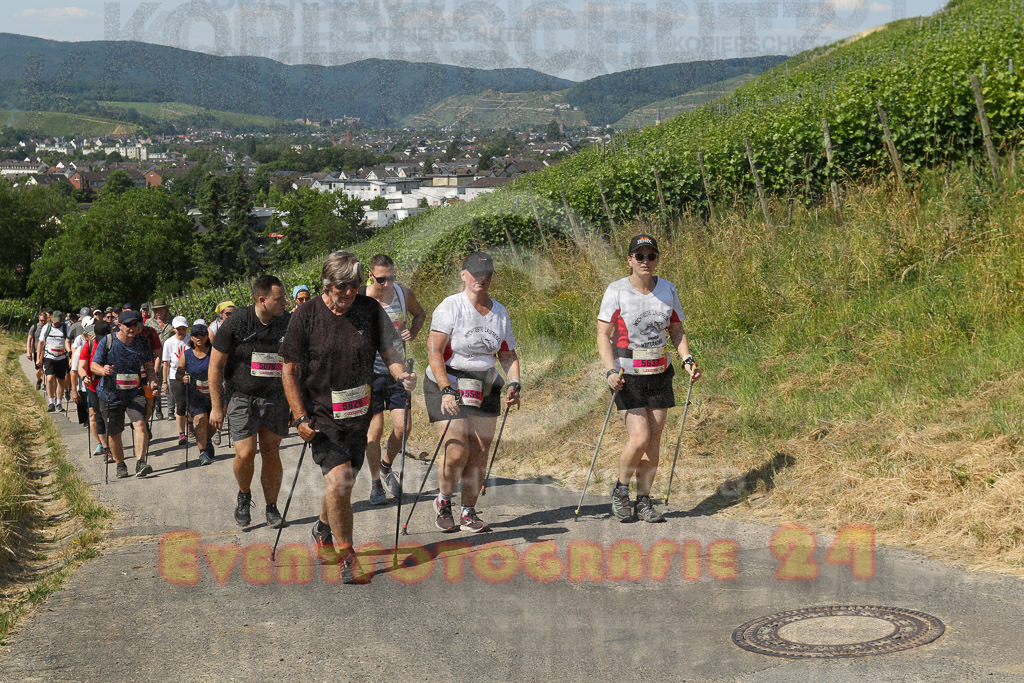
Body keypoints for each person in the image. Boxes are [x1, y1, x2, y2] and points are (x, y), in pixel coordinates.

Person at [280, 251, 416, 581]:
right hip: (322, 414)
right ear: (327, 285)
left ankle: (322, 528)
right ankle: (347, 554)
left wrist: (400, 375)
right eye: (343, 287)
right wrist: (299, 417)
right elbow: (290, 369)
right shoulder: (306, 315)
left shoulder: (369, 310)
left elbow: (389, 351)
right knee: (339, 480)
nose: (350, 293)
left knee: (344, 483)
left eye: (355, 285)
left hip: (360, 412)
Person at [597, 234, 702, 523]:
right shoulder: (616, 291)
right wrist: (609, 371)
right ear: (629, 259)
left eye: (651, 256)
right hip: (627, 375)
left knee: (653, 441)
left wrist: (687, 361)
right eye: (639, 256)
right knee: (640, 436)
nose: (645, 261)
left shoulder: (667, 289)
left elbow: (676, 330)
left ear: (656, 259)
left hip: (659, 372)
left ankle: (644, 500)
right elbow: (603, 336)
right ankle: (620, 490)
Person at [424, 252, 521, 533]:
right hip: (448, 381)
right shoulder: (451, 306)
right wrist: (445, 389)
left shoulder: (500, 312)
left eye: (488, 274)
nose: (482, 279)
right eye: (476, 274)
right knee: (457, 448)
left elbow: (507, 354)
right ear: (463, 275)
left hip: (484, 385)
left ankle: (468, 512)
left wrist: (515, 382)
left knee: (479, 451)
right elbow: (434, 351)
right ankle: (443, 501)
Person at [209, 278, 290, 529]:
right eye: (279, 299)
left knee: (271, 452)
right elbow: (215, 366)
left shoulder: (287, 323)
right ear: (261, 299)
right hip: (242, 396)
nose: (284, 303)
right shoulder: (237, 322)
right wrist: (216, 406)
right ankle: (244, 495)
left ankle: (272, 507)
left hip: (275, 398)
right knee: (245, 453)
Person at [360, 254, 426, 505]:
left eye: (392, 277)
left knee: (403, 427)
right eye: (381, 279)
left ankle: (386, 466)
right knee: (373, 431)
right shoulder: (361, 299)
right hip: (371, 373)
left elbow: (420, 314)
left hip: (398, 370)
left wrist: (413, 331)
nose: (387, 283)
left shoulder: (402, 294)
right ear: (370, 275)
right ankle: (376, 483)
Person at [90, 310, 158, 479]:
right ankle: (120, 464)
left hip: (134, 392)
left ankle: (141, 462)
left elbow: (149, 366)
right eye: (128, 325)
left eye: (136, 325)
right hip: (110, 393)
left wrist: (153, 381)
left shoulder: (141, 342)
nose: (133, 328)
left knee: (141, 425)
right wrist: (103, 370)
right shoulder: (108, 341)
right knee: (115, 433)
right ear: (119, 325)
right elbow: (93, 365)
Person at [179, 322, 215, 465]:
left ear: (207, 336)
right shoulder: (187, 355)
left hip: (214, 392)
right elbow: (178, 373)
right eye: (196, 335)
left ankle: (206, 439)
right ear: (191, 338)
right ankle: (203, 453)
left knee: (214, 422)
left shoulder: (214, 352)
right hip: (196, 394)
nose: (199, 337)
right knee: (200, 421)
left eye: (202, 334)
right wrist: (182, 377)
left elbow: (223, 367)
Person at [80, 320, 112, 459]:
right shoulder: (89, 345)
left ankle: (112, 446)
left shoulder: (113, 344)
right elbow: (81, 367)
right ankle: (106, 449)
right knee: (99, 417)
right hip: (93, 386)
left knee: (110, 417)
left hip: (111, 386)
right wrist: (83, 377)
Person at [162, 316, 190, 447]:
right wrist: (165, 382)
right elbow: (166, 364)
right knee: (181, 403)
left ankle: (190, 423)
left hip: (190, 375)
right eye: (178, 329)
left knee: (192, 401)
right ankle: (181, 432)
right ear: (173, 329)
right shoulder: (169, 343)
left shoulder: (191, 339)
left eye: (183, 328)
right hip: (175, 376)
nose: (181, 331)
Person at [36, 310, 72, 413]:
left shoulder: (66, 328)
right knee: (50, 378)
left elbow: (70, 342)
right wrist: (38, 358)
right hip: (49, 357)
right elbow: (41, 343)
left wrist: (70, 357)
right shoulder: (46, 328)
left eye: (59, 321)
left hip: (62, 357)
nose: (57, 323)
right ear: (51, 319)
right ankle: (51, 402)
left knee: (61, 380)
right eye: (55, 321)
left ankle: (59, 403)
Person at [146, 299, 175, 420]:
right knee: (156, 384)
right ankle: (158, 408)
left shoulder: (173, 321)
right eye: (156, 310)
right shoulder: (149, 323)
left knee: (169, 384)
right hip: (155, 359)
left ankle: (170, 410)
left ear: (166, 309)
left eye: (161, 309)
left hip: (170, 359)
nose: (158, 312)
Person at [27, 311, 47, 390]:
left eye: (44, 320)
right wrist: (28, 351)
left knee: (45, 369)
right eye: (41, 320)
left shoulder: (49, 327)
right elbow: (29, 339)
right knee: (39, 370)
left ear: (46, 320)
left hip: (46, 352)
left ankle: (45, 384)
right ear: (39, 319)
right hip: (37, 352)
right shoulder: (34, 327)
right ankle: (39, 380)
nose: (42, 322)